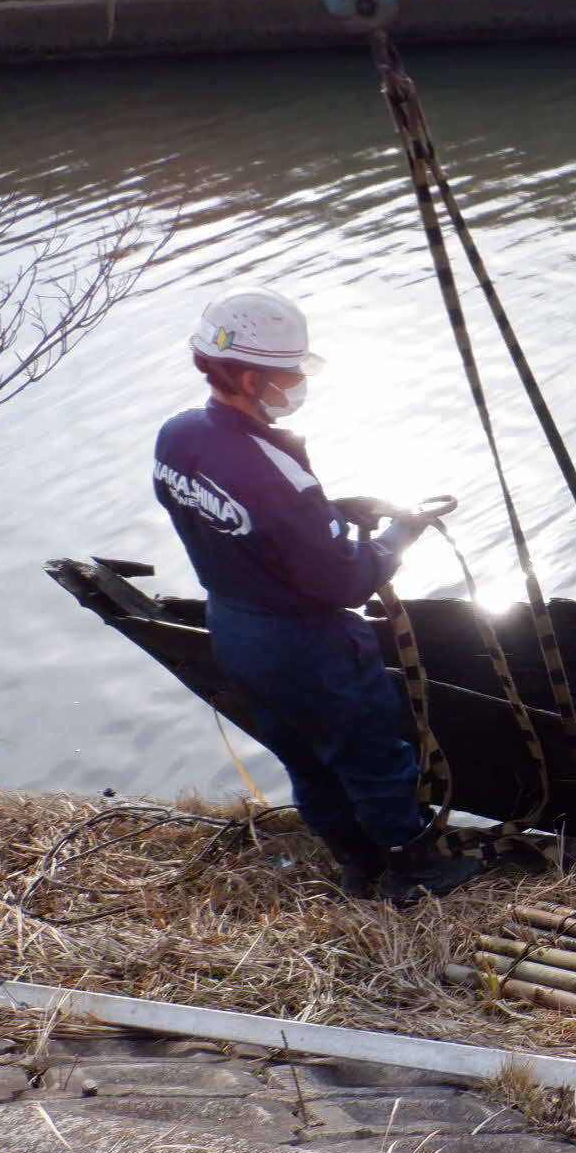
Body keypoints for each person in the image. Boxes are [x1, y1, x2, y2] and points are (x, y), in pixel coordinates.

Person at [153, 286, 477, 904]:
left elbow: (239, 517)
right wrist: (399, 536)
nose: (297, 382)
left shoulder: (179, 437)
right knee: (371, 754)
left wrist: (330, 512)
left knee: (305, 757)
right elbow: (348, 580)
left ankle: (356, 867)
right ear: (250, 377)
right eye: (288, 373)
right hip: (306, 642)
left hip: (237, 629)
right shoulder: (278, 474)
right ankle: (416, 874)